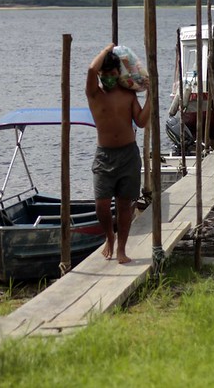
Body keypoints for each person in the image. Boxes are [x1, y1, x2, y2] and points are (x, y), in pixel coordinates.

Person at [86, 44, 151, 265]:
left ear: (119, 74)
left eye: (113, 75)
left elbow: (141, 122)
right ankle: (109, 237)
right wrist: (107, 49)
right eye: (105, 75)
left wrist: (151, 95)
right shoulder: (94, 93)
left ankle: (122, 248)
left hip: (128, 155)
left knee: (125, 205)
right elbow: (90, 70)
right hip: (104, 156)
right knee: (101, 205)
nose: (108, 79)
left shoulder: (128, 95)